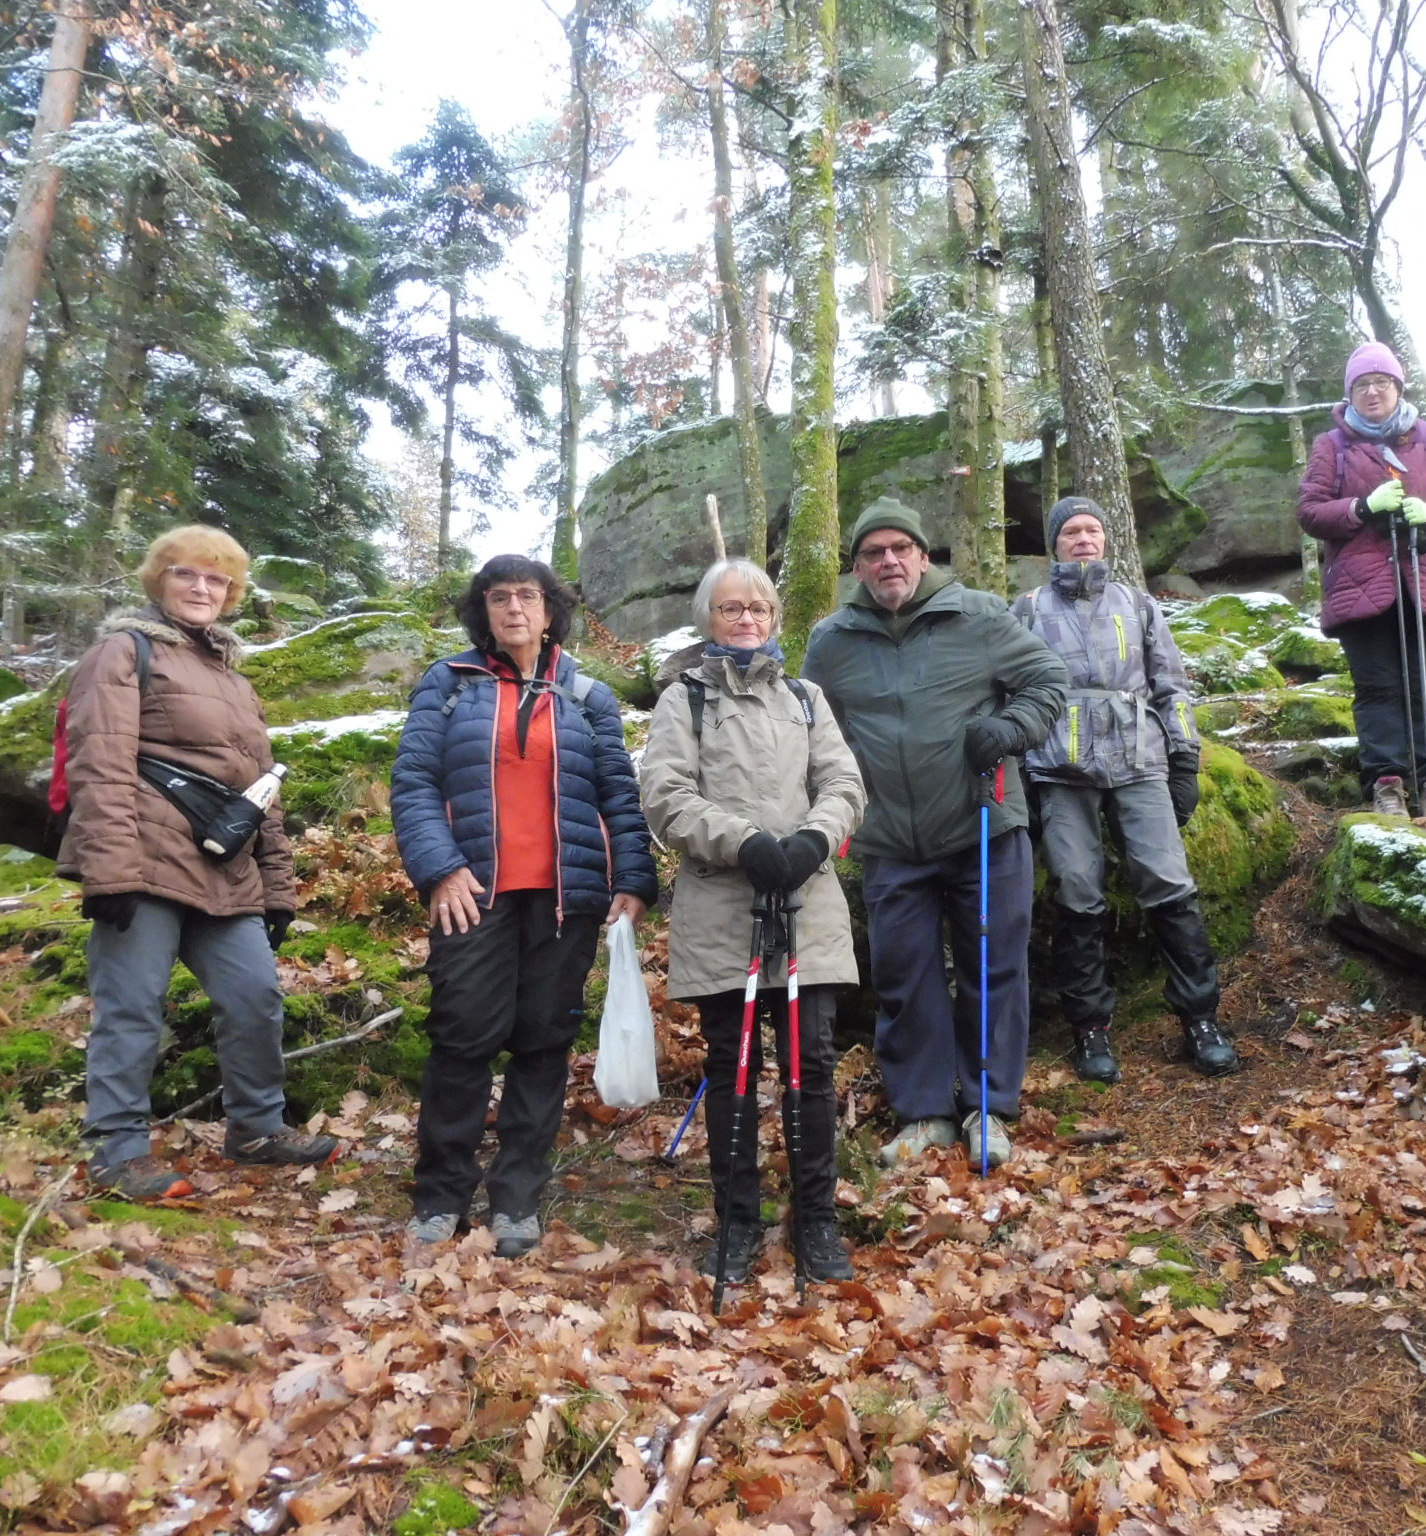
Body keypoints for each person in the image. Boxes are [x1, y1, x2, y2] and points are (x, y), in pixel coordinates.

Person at [59, 525, 340, 1201]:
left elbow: (259, 786)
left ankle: (256, 1130)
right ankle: (117, 1152)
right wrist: (110, 873)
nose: (202, 589)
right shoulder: (122, 652)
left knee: (256, 997)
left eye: (217, 580)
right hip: (146, 860)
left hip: (226, 867)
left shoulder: (231, 677)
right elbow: (99, 760)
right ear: (159, 580)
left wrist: (278, 890)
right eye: (188, 575)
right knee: (132, 1007)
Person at [391, 554, 656, 1256]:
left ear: (549, 609)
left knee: (542, 1043)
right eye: (499, 597)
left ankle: (517, 1198)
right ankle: (442, 1193)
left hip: (567, 898)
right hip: (472, 895)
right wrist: (440, 870)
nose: (514, 608)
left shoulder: (588, 696)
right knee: (463, 1038)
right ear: (482, 609)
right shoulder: (449, 686)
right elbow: (414, 781)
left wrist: (633, 880)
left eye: (527, 596)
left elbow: (618, 798)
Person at [801, 498, 1067, 1170]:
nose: (889, 561)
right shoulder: (831, 641)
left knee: (993, 968)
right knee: (905, 976)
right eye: (873, 553)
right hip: (888, 838)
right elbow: (812, 728)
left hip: (984, 822)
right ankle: (924, 1114)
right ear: (858, 566)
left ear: (923, 555)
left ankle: (988, 1109)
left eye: (901, 548)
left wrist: (1010, 729)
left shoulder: (977, 615)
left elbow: (1046, 679)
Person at [638, 560, 867, 1286]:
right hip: (723, 908)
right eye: (731, 608)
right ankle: (737, 1223)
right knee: (731, 1067)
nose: (745, 620)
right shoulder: (686, 700)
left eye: (758, 609)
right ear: (709, 617)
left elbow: (844, 783)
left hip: (808, 906)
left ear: (774, 618)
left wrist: (812, 840)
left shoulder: (806, 698)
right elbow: (665, 793)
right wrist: (745, 844)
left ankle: (817, 1220)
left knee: (812, 1067)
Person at [1014, 497, 1238, 1083]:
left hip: (1141, 761)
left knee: (1168, 882)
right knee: (1076, 888)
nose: (1083, 538)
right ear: (1054, 544)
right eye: (1071, 531)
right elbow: (1007, 695)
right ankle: (1089, 1027)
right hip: (1058, 769)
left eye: (1092, 529)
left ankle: (1201, 1019)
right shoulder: (1029, 608)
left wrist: (1184, 758)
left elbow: (1173, 684)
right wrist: (1018, 780)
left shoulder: (1137, 604)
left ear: (1106, 540)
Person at [1298, 341, 1426, 820]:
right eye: (1362, 385)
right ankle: (1387, 783)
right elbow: (1310, 511)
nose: (1372, 392)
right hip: (1361, 587)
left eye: (1382, 382)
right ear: (1349, 393)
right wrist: (1361, 507)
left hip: (1425, 581)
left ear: (1398, 387)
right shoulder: (1331, 445)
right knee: (1376, 687)